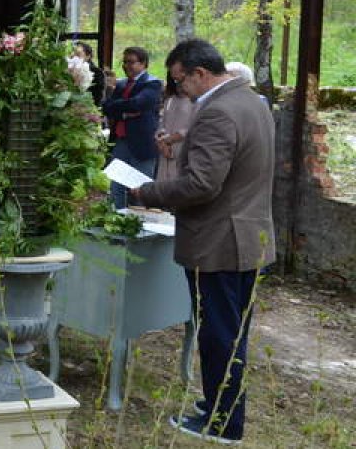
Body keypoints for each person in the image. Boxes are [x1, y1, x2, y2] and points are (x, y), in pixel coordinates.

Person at [131, 39, 275, 445]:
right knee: (233, 332)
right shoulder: (252, 102)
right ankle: (218, 404)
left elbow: (201, 184)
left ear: (200, 73)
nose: (181, 92)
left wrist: (150, 192)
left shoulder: (217, 111)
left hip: (219, 242)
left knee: (218, 334)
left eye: (181, 82)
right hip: (249, 237)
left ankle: (224, 423)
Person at [102, 46, 162, 209]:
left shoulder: (153, 83)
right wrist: (124, 114)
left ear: (143, 64)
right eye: (124, 62)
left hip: (142, 143)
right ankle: (117, 219)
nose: (126, 66)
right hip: (121, 141)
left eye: (131, 62)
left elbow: (139, 103)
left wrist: (118, 107)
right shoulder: (122, 85)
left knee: (141, 187)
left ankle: (144, 224)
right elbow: (107, 107)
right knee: (116, 185)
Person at [156, 78, 195, 182]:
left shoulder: (195, 102)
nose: (179, 85)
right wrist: (162, 142)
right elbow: (161, 123)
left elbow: (192, 127)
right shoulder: (170, 100)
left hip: (182, 147)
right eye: (176, 82)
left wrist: (171, 139)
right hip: (165, 148)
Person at [74, 41, 106, 105]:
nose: (74, 57)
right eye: (72, 54)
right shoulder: (68, 70)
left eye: (77, 54)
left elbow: (97, 98)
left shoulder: (97, 73)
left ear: (88, 56)